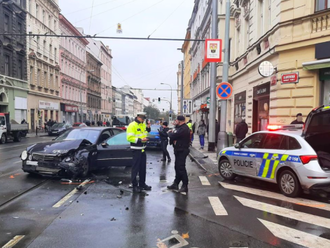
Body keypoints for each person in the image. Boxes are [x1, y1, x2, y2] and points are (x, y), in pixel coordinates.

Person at [127, 112, 152, 193]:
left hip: (142, 149)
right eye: (142, 118)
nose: (143, 120)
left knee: (142, 169)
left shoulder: (142, 124)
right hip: (136, 149)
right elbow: (129, 138)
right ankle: (135, 185)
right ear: (137, 117)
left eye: (144, 119)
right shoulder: (132, 125)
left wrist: (148, 128)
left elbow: (145, 133)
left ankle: (142, 184)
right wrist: (141, 140)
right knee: (135, 169)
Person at [167, 115, 191, 193]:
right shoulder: (179, 128)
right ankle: (176, 183)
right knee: (177, 167)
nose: (175, 121)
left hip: (182, 150)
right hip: (178, 149)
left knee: (181, 167)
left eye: (176, 120)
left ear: (180, 121)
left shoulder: (184, 129)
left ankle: (185, 185)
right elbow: (174, 134)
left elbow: (173, 135)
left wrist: (169, 134)